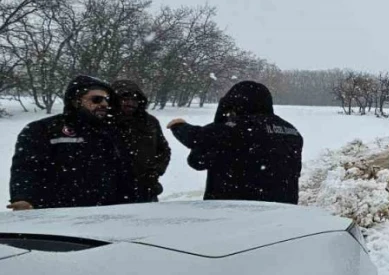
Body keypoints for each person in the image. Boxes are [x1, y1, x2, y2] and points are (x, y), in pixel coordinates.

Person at [8, 75, 135, 210]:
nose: (103, 104)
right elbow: (26, 168)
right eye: (96, 99)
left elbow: (123, 173)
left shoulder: (111, 132)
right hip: (56, 215)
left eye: (107, 100)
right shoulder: (43, 129)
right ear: (76, 101)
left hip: (105, 214)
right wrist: (23, 197)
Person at [167, 80, 303, 204]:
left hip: (236, 210)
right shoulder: (291, 130)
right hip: (283, 209)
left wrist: (179, 126)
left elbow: (197, 138)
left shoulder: (237, 127)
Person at [112, 79, 172, 203]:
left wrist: (156, 171)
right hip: (111, 191)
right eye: (124, 99)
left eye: (134, 100)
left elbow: (164, 150)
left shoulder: (150, 122)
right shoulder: (104, 122)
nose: (130, 103)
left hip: (146, 189)